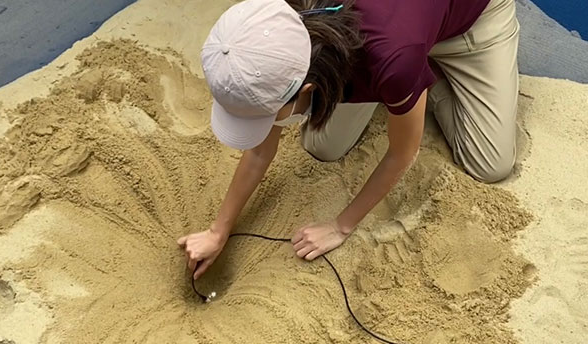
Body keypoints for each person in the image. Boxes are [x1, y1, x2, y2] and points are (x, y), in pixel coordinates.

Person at [178, 0, 520, 278]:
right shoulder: (275, 27)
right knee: (322, 146)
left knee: (491, 163)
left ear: (308, 85)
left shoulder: (392, 57)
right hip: (392, 36)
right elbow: (258, 152)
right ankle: (409, 89)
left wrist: (341, 227)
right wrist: (217, 231)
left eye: (268, 114)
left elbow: (403, 153)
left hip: (467, 24)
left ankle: (425, 85)